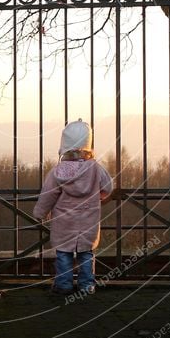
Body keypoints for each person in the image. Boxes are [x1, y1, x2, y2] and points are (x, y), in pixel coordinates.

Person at [33, 119, 113, 296]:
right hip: (88, 220)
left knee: (63, 253)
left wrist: (40, 212)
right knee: (86, 254)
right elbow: (108, 188)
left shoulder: (58, 171)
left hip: (64, 221)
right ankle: (86, 285)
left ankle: (64, 285)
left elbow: (48, 194)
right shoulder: (96, 169)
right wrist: (98, 197)